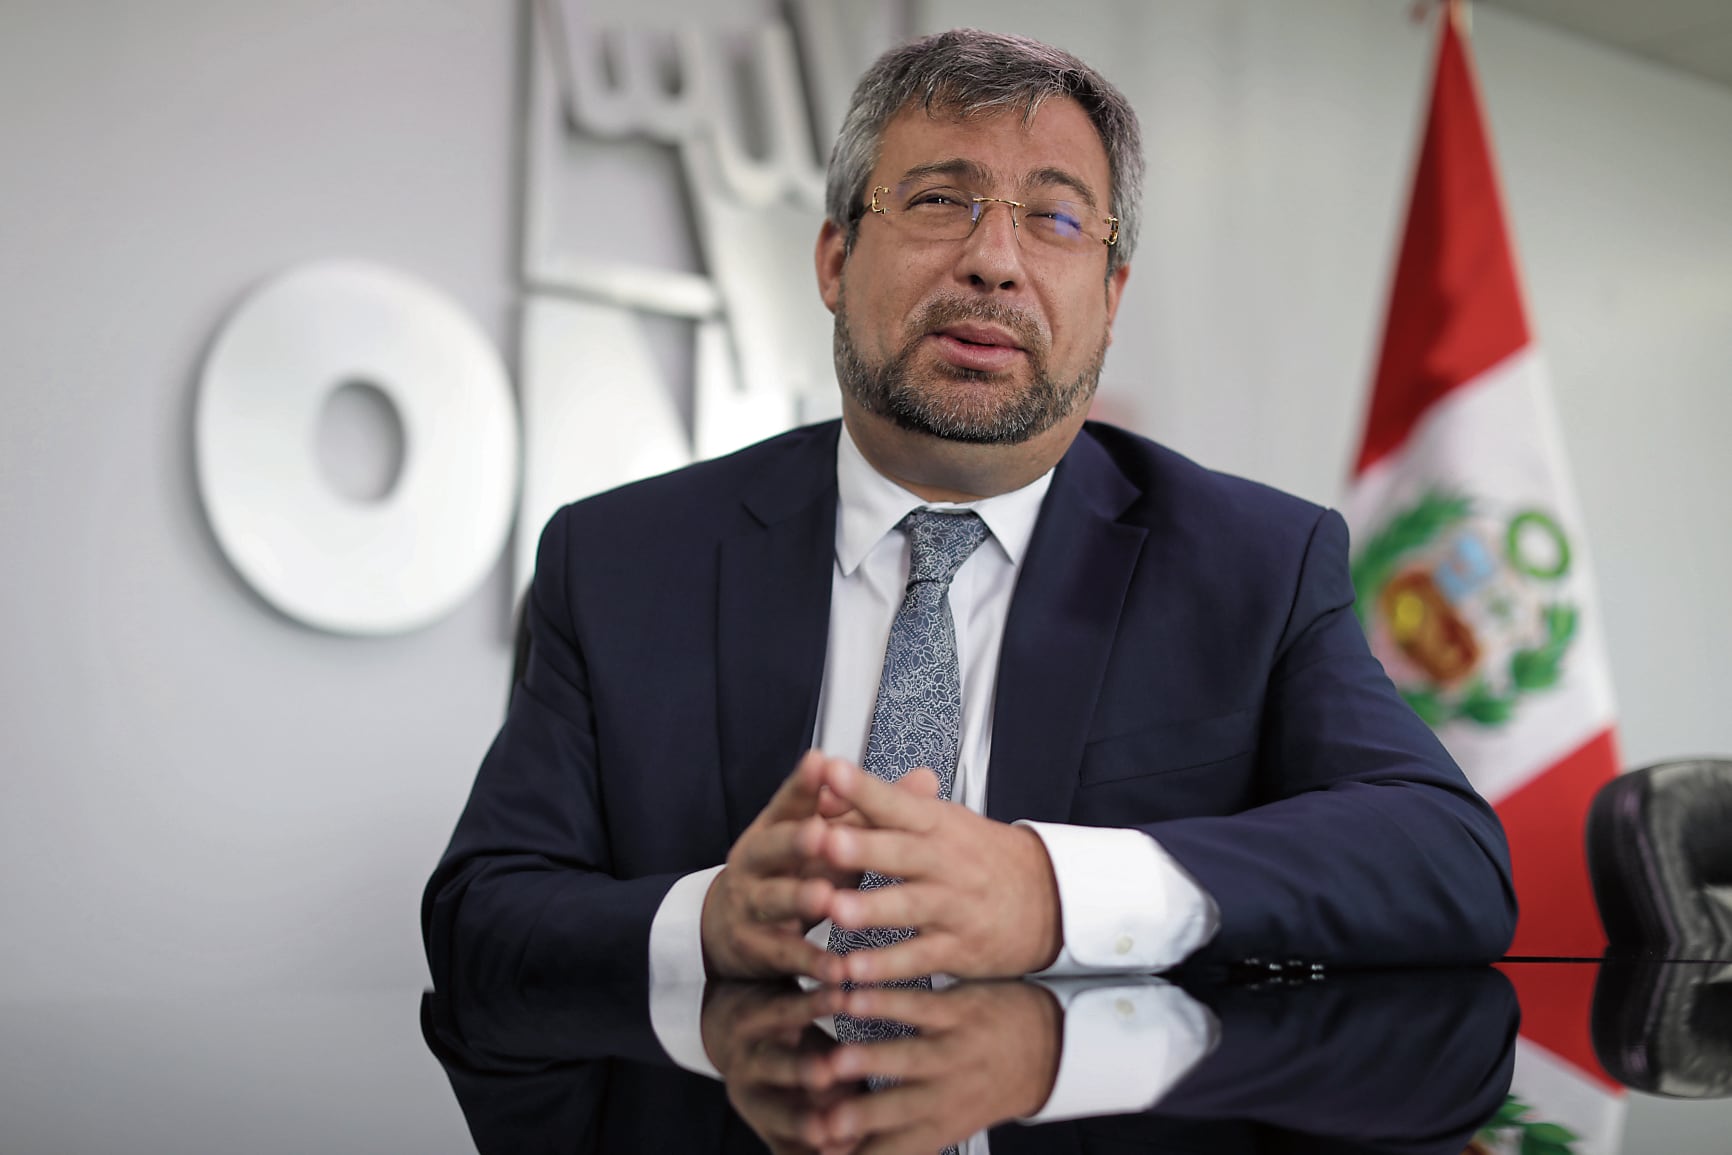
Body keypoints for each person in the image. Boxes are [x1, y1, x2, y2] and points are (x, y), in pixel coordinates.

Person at [423, 27, 1515, 1040]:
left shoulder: (1254, 566)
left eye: (1056, 218)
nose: (995, 260)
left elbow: (1447, 860)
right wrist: (706, 924)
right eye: (940, 199)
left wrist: (1052, 891)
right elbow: (483, 911)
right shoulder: (618, 562)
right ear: (835, 261)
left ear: (1111, 295)